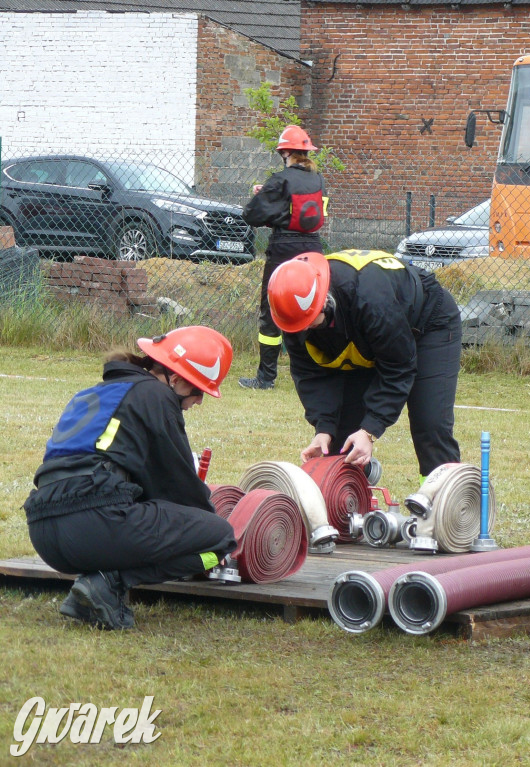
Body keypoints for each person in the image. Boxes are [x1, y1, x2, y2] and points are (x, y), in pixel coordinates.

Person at [22, 326, 238, 630]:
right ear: (175, 378)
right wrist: (212, 536)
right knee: (219, 539)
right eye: (198, 390)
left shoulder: (98, 393)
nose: (199, 401)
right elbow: (180, 488)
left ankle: (98, 582)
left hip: (44, 533)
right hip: (93, 526)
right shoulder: (157, 395)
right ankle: (110, 581)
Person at [266, 249, 461, 479]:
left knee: (430, 425)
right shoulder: (293, 315)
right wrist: (324, 428)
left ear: (324, 302)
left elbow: (398, 367)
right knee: (341, 441)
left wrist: (369, 431)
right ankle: (355, 498)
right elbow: (310, 374)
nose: (305, 331)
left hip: (427, 322)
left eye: (310, 324)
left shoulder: (369, 300)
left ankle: (442, 504)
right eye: (299, 326)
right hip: (366, 334)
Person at [239, 124, 328, 390]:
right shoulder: (318, 179)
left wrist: (263, 194)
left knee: (273, 311)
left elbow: (251, 215)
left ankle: (266, 377)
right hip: (313, 249)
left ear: (286, 152)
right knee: (310, 309)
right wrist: (269, 195)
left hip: (283, 249)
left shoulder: (280, 179)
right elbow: (301, 210)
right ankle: (313, 373)